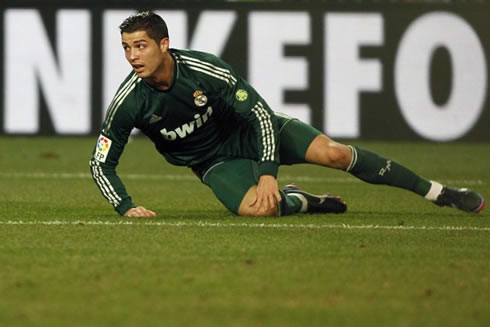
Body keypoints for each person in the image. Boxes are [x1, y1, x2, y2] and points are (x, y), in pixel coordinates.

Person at [89, 11, 485, 217]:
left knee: (335, 154)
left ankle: (438, 192)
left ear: (164, 44)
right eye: (126, 47)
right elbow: (100, 163)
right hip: (212, 161)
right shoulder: (130, 102)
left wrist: (266, 174)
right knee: (257, 210)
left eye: (140, 46)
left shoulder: (205, 69)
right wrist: (126, 206)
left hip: (249, 130)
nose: (132, 56)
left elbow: (260, 115)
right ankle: (307, 201)